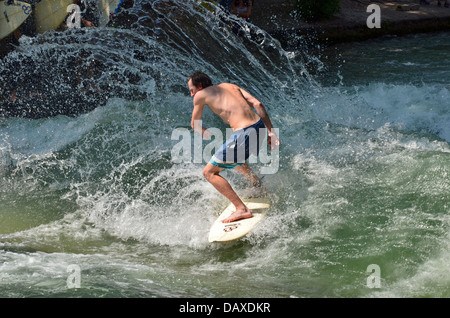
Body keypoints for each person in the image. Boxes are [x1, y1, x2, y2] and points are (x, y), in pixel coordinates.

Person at [187, 71, 279, 223]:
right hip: (259, 127)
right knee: (235, 158)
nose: (191, 95)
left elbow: (194, 123)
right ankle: (257, 185)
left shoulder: (200, 95)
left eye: (191, 90)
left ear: (200, 86)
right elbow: (258, 104)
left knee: (209, 173)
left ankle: (241, 209)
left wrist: (203, 131)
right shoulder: (229, 86)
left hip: (244, 132)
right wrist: (271, 132)